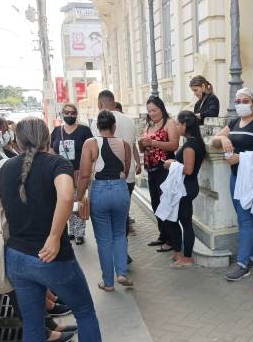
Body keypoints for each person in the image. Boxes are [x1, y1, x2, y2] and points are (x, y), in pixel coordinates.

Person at [0, 117, 121, 342]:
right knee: (85, 312)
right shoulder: (56, 163)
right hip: (52, 258)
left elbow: (0, 207)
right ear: (47, 139)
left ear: (16, 141)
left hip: (16, 257)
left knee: (31, 324)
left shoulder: (5, 168)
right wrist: (54, 236)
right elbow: (67, 196)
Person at [211, 87, 253, 281]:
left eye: (244, 101)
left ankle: (242, 263)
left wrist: (242, 158)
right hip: (236, 177)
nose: (240, 105)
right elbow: (213, 141)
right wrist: (222, 137)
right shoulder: (234, 122)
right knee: (243, 218)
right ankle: (252, 255)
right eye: (237, 102)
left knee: (246, 219)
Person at [77, 111, 133, 292]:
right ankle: (122, 272)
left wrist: (78, 197)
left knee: (103, 239)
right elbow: (125, 169)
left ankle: (108, 282)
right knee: (119, 234)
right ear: (114, 126)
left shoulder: (90, 143)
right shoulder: (124, 144)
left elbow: (85, 174)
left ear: (97, 127)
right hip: (120, 189)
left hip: (99, 191)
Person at [97, 91, 142, 246]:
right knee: (123, 215)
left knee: (108, 216)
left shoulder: (99, 120)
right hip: (127, 176)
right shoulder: (129, 121)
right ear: (114, 102)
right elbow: (133, 144)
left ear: (100, 103)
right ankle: (122, 248)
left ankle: (115, 249)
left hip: (104, 178)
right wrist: (138, 163)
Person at [163, 111, 207, 268]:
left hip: (186, 188)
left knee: (184, 222)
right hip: (187, 186)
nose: (175, 126)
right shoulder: (194, 142)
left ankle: (186, 258)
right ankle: (179, 253)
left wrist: (171, 165)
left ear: (184, 125)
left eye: (177, 124)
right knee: (175, 219)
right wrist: (175, 160)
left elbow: (188, 169)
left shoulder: (190, 145)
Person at [138, 96, 180, 252]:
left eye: (154, 110)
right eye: (149, 111)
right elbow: (144, 148)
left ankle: (171, 240)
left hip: (165, 169)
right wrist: (142, 145)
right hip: (151, 169)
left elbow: (174, 145)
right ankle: (163, 235)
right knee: (156, 204)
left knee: (166, 204)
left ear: (161, 108)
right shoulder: (149, 125)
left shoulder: (169, 123)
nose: (152, 113)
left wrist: (153, 143)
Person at [50, 103, 93, 245]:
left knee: (78, 200)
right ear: (62, 114)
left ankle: (79, 233)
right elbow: (51, 150)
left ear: (76, 114)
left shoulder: (84, 130)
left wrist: (88, 170)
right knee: (65, 202)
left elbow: (93, 151)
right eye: (67, 113)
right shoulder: (56, 131)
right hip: (61, 174)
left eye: (73, 113)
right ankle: (70, 230)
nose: (70, 115)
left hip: (79, 173)